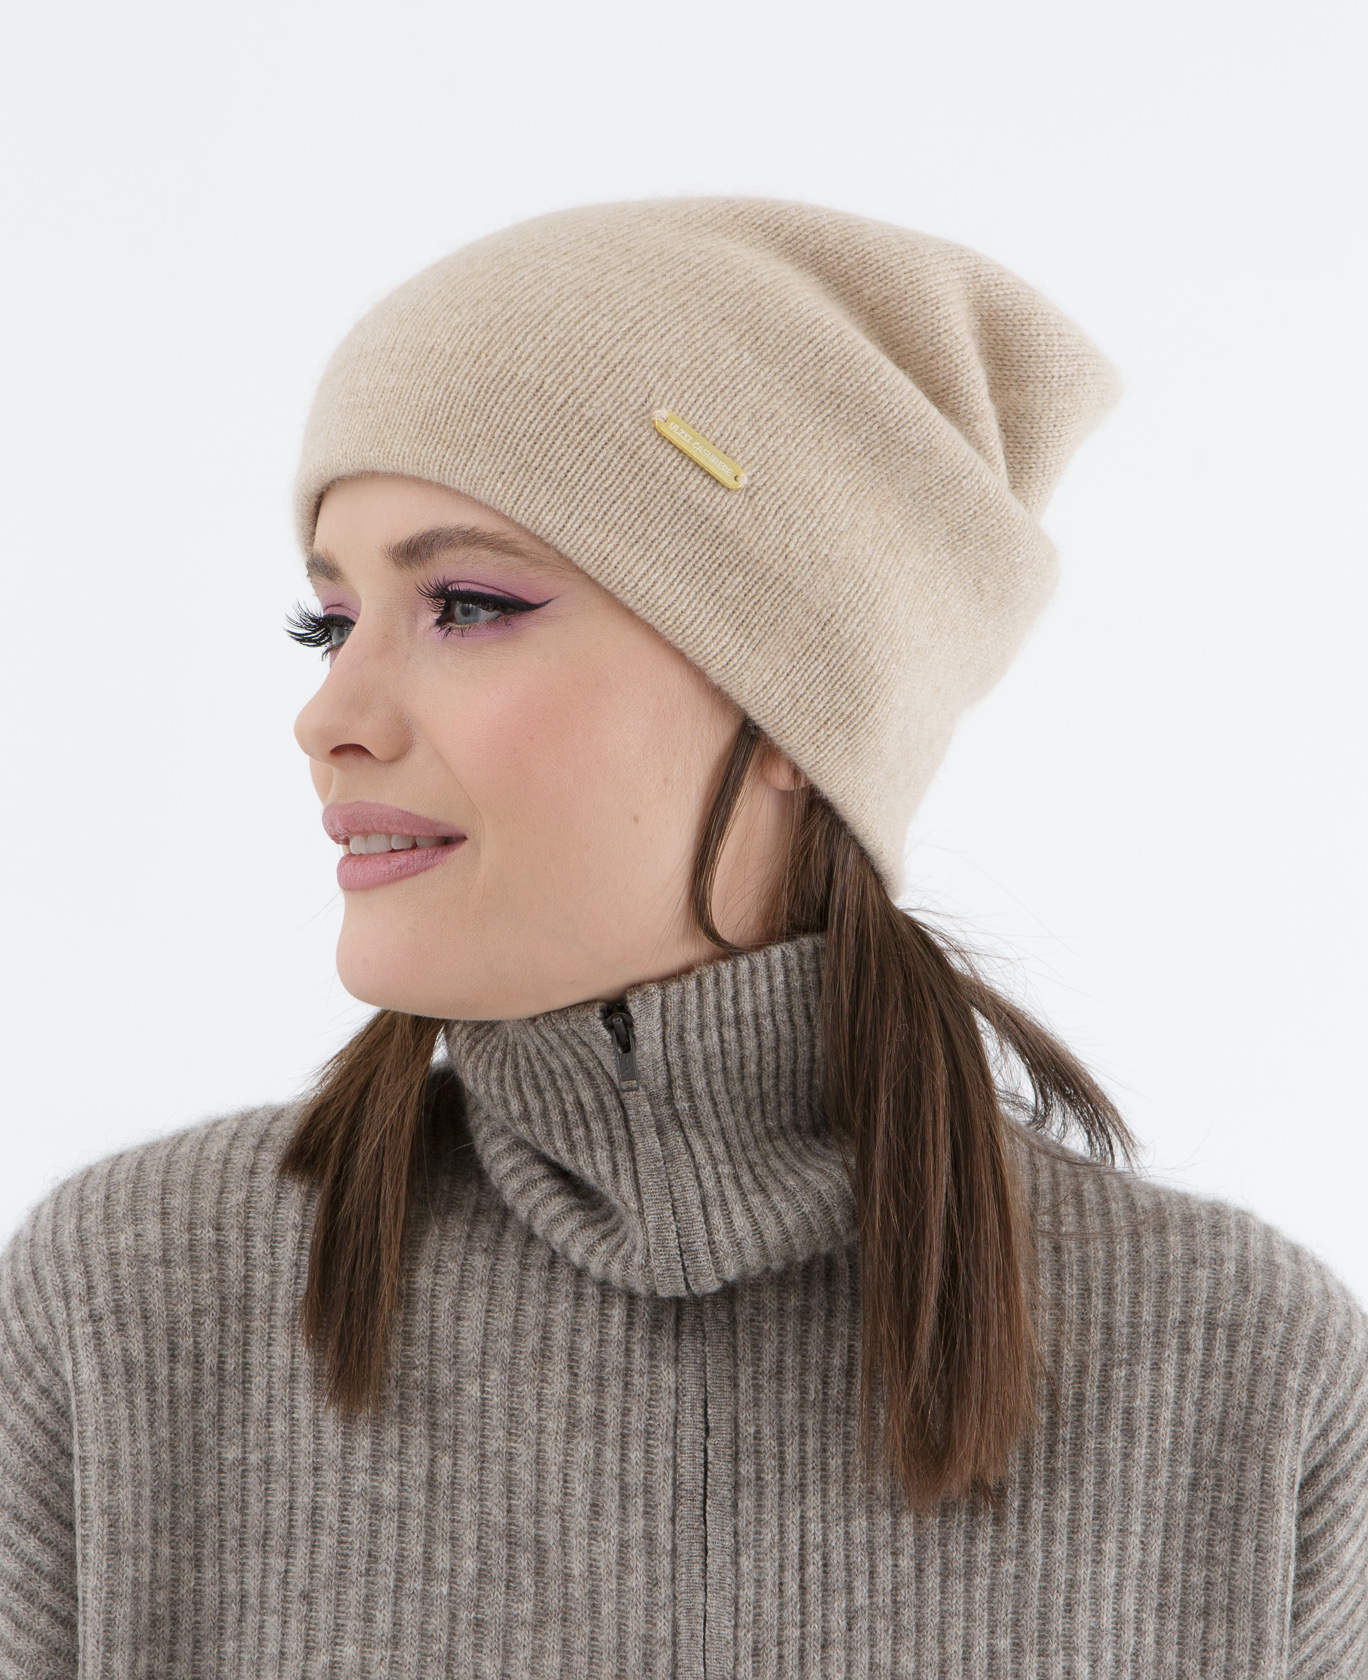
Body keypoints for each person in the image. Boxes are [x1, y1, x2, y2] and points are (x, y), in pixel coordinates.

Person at [1, 196, 1364, 1678]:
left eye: (466, 603)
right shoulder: (128, 1304)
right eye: (329, 622)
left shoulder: (1241, 1373)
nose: (329, 716)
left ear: (787, 702)